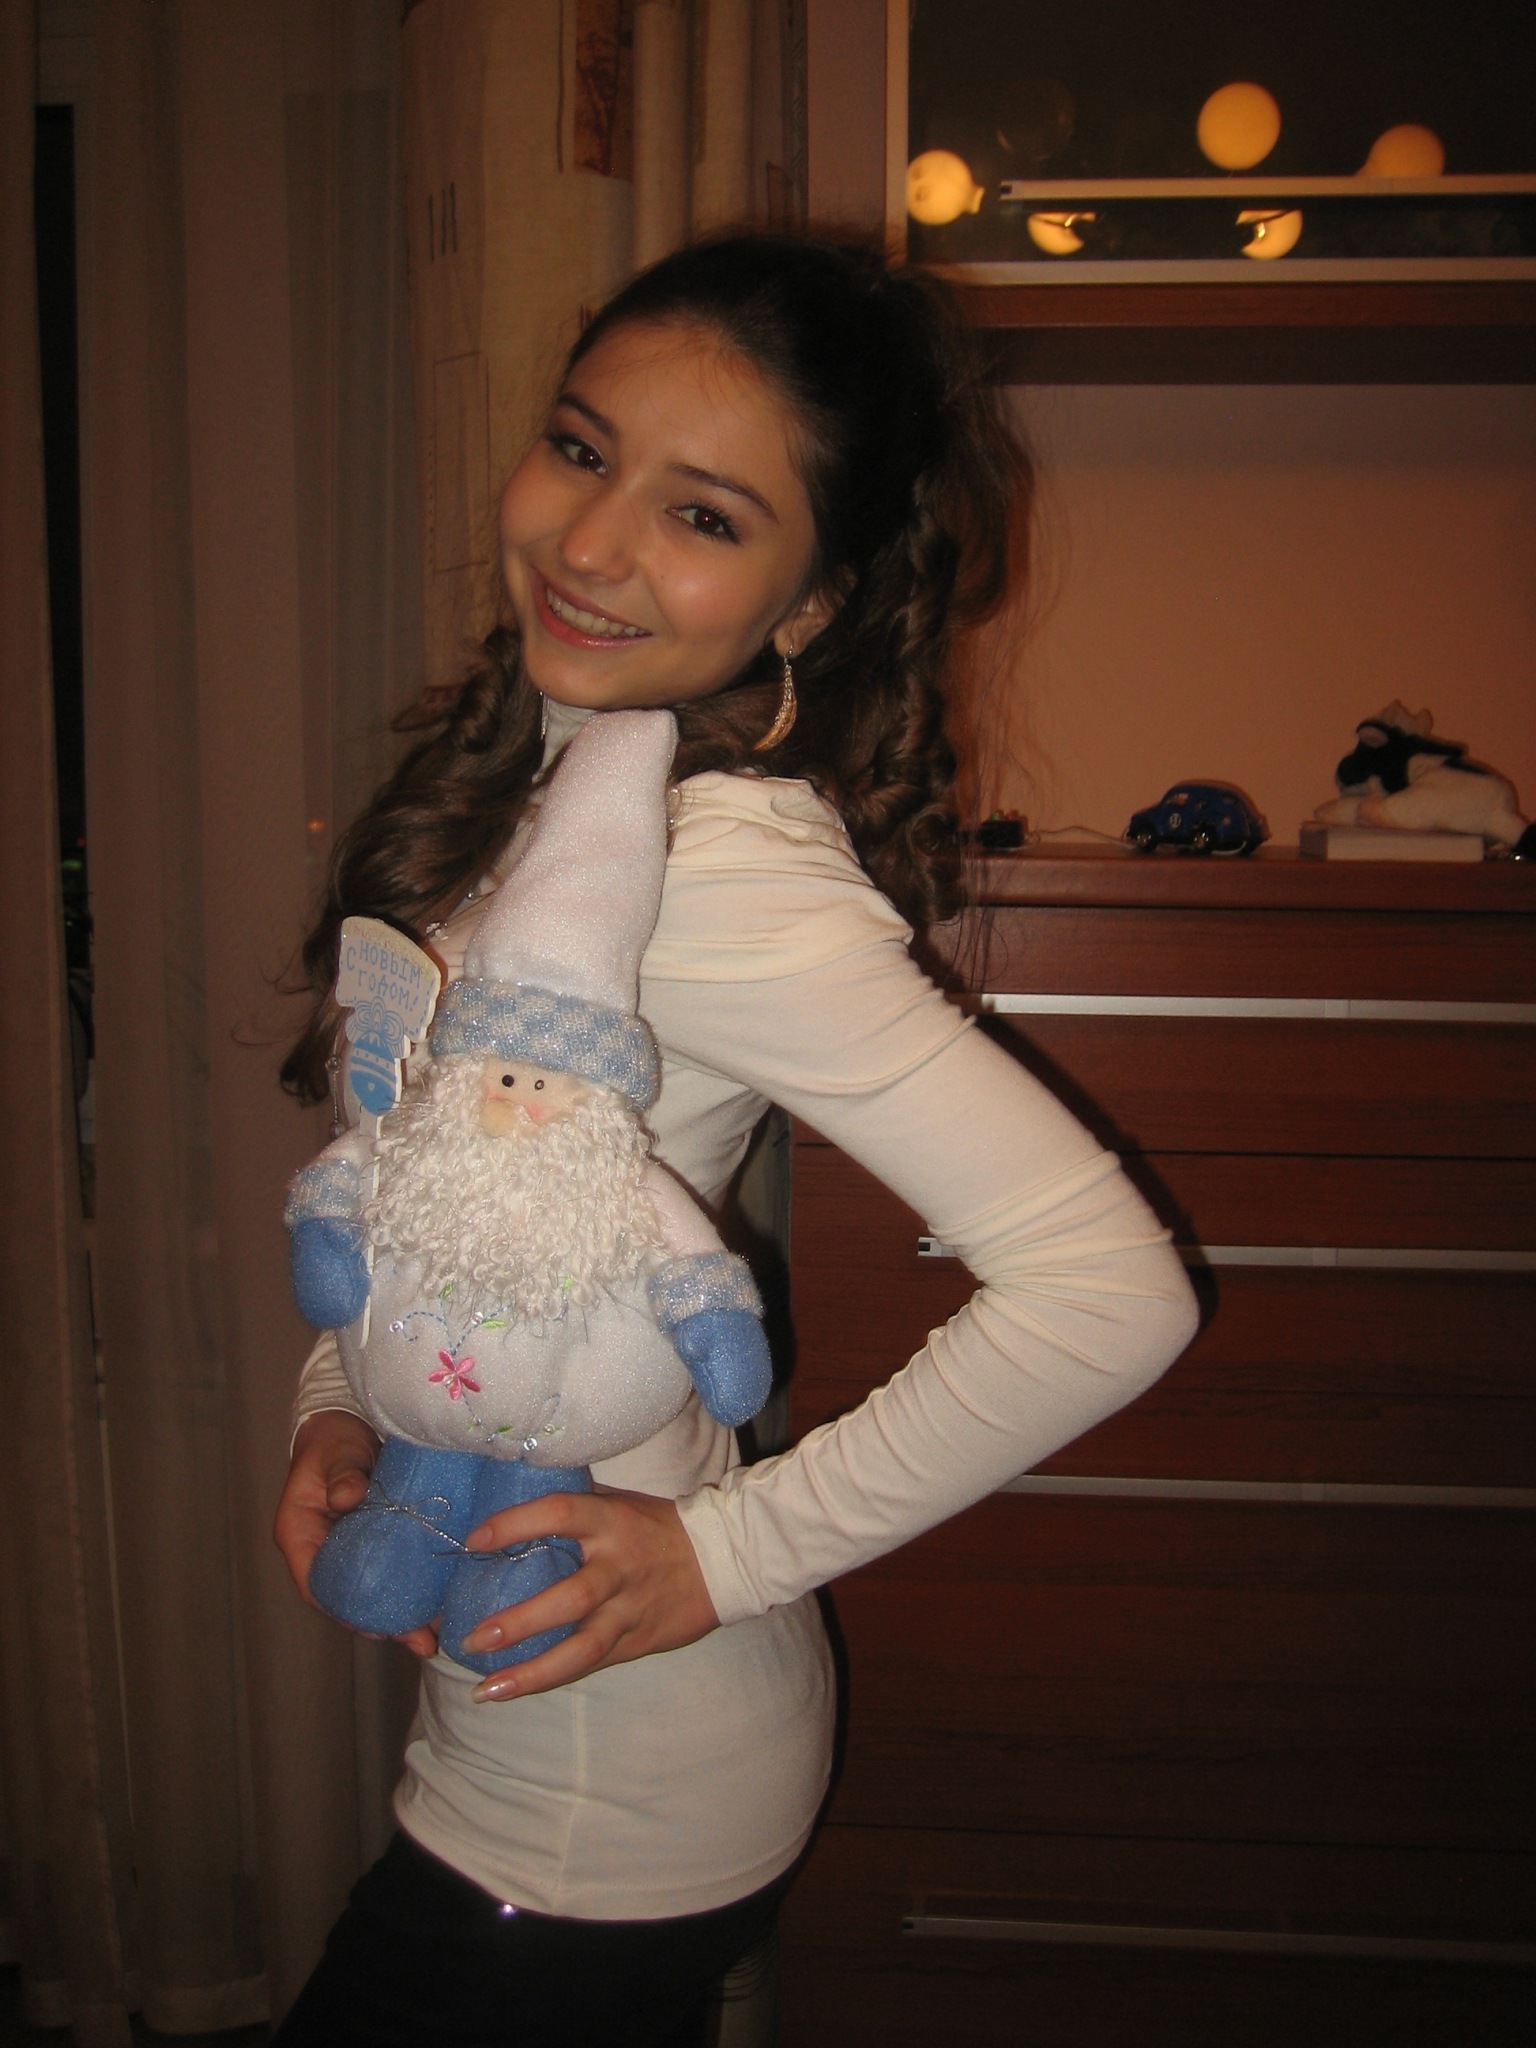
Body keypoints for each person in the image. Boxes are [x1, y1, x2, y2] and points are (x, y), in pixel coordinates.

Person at [272, 230, 1199, 2048]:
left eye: (703, 514)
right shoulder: (553, 779)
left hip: (614, 1797)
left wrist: (732, 1554)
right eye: (580, 446)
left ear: (811, 601)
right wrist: (335, 1395)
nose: (592, 540)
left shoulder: (718, 863)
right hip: (518, 1732)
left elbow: (1108, 1294)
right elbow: (424, 1189)